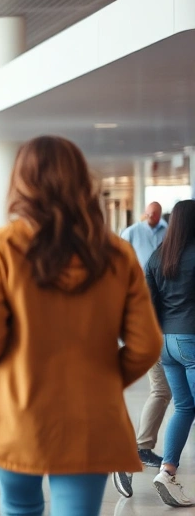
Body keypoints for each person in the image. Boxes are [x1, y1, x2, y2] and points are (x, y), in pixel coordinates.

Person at [0, 136, 162, 516]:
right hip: (91, 411)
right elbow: (147, 343)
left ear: (21, 183)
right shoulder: (116, 252)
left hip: (15, 407)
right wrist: (104, 379)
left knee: (20, 507)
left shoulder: (2, 246)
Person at [143, 199, 195, 506]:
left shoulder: (156, 257)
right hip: (191, 340)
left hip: (165, 343)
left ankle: (167, 471)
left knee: (184, 407)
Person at [116, 200, 172, 482]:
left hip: (160, 330)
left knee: (167, 393)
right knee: (165, 392)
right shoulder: (134, 237)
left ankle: (142, 449)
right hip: (162, 331)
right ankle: (141, 449)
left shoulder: (161, 254)